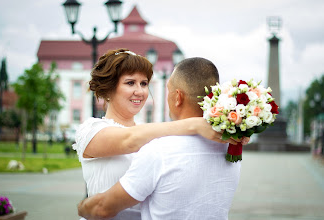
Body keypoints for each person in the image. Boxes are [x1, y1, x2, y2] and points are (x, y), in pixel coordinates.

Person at [72, 49, 241, 219]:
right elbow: (129, 140)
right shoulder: (91, 129)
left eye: (144, 83)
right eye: (130, 83)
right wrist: (195, 124)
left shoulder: (152, 132)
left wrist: (235, 132)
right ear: (108, 88)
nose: (140, 91)